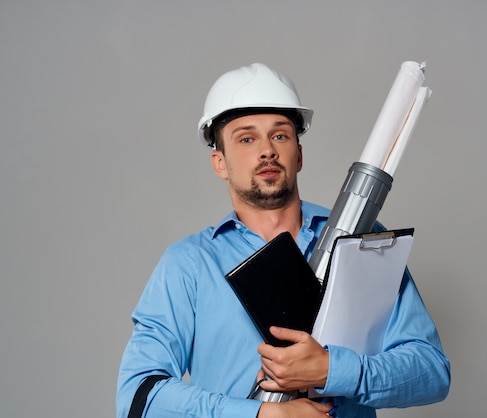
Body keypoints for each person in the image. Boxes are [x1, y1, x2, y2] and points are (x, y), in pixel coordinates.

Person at [116, 63, 450, 418]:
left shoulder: (360, 238)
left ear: (299, 154)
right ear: (220, 163)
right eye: (246, 138)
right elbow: (138, 397)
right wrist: (261, 415)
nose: (267, 151)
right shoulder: (190, 263)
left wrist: (330, 370)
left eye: (280, 135)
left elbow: (431, 372)